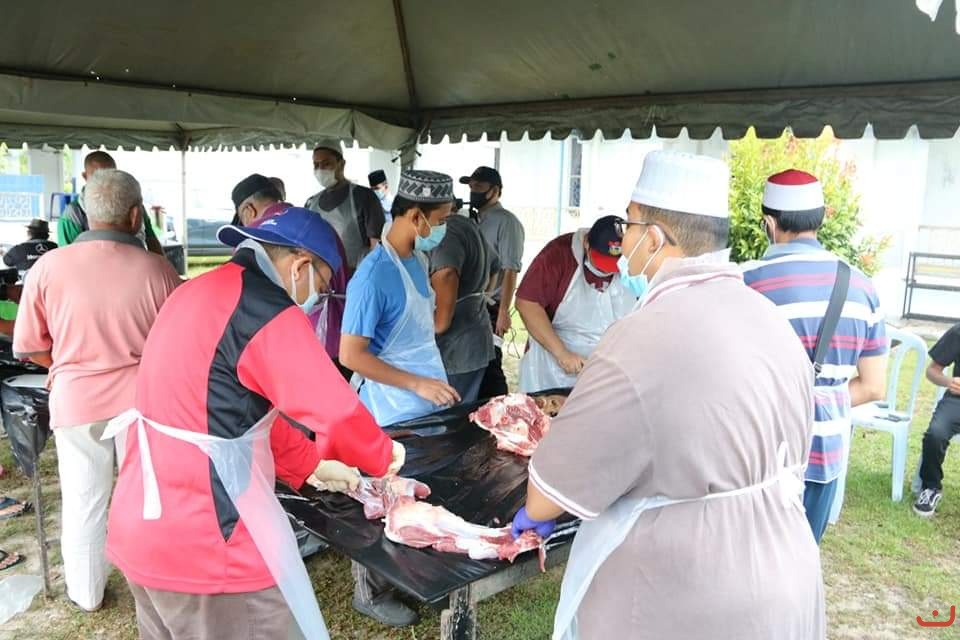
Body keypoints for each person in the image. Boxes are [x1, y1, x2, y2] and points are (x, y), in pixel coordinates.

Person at [512, 151, 825, 640]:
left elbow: (549, 493)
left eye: (630, 225)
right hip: (786, 576)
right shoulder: (769, 319)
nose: (624, 240)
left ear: (654, 238)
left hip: (684, 595)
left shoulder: (639, 339)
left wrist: (535, 512)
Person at [104, 207, 403, 640]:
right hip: (207, 541)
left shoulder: (196, 290)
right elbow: (335, 411)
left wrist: (310, 463)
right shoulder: (262, 308)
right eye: (321, 285)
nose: (317, 298)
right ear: (300, 266)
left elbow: (237, 414)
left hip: (145, 524)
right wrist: (383, 455)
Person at [13, 169, 181, 612]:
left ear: (85, 214)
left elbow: (29, 346)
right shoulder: (158, 269)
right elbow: (177, 345)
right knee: (147, 496)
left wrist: (69, 364)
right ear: (136, 215)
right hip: (141, 403)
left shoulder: (48, 267)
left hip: (75, 400)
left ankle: (86, 595)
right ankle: (154, 581)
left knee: (83, 500)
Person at [340, 170, 459, 627]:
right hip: (389, 403)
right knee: (381, 497)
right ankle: (369, 591)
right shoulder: (373, 275)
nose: (443, 228)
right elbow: (351, 354)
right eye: (440, 220)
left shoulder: (417, 260)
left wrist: (426, 383)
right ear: (415, 216)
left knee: (418, 491)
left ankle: (411, 571)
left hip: (423, 393)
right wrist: (414, 383)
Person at [743, 169, 888, 542]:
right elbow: (874, 387)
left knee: (755, 558)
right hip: (825, 453)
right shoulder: (861, 286)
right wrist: (821, 398)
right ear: (821, 219)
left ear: (769, 223)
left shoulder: (745, 282)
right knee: (804, 557)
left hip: (758, 456)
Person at [515, 215, 635, 393]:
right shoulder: (558, 255)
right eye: (601, 261)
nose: (605, 270)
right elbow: (526, 304)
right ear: (586, 243)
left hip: (603, 368)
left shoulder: (635, 263)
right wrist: (562, 354)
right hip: (550, 365)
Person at [461, 166, 525, 398]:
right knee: (471, 363)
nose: (473, 192)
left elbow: (510, 268)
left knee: (491, 363)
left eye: (479, 187)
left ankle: (500, 407)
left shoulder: (506, 222)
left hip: (491, 305)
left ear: (495, 191)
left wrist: (504, 311)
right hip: (470, 303)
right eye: (471, 187)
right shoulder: (473, 220)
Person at [428, 212, 500, 403]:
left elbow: (446, 274)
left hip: (456, 348)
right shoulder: (467, 225)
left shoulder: (446, 233)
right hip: (474, 334)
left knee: (449, 412)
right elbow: (495, 266)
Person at [58, 151, 164, 255]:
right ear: (85, 176)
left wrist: (160, 263)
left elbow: (151, 240)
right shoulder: (74, 214)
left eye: (111, 175)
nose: (106, 181)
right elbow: (68, 257)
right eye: (97, 176)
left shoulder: (133, 206)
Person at [305, 141, 385, 271]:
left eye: (326, 163)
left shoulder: (364, 197)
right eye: (316, 165)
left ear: (341, 164)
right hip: (322, 277)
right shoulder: (311, 203)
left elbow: (376, 248)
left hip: (356, 276)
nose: (320, 169)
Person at [914, 322, 960, 516]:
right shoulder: (958, 331)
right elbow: (932, 371)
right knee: (935, 434)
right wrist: (950, 382)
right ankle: (931, 487)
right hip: (957, 400)